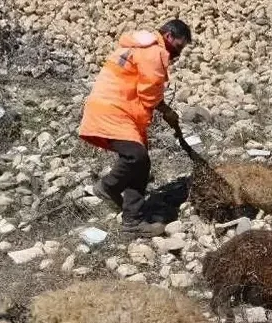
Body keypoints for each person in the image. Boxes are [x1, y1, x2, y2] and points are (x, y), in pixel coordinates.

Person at [78, 19, 192, 238]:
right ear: (168, 36)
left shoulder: (140, 47)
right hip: (113, 110)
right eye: (178, 46)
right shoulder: (153, 52)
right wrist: (166, 110)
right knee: (136, 157)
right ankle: (108, 187)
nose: (178, 53)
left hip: (121, 110)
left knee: (141, 163)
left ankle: (132, 222)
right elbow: (149, 92)